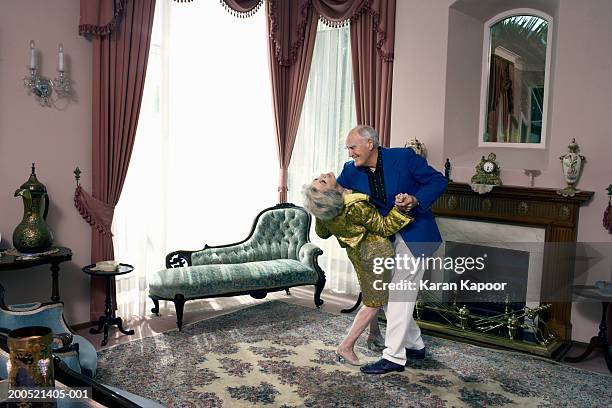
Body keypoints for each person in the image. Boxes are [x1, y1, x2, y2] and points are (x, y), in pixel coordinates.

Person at [337, 125, 448, 375]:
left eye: (352, 147)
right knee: (390, 293)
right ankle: (414, 344)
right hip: (383, 238)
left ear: (369, 144)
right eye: (348, 148)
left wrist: (415, 199)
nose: (349, 153)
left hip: (417, 233)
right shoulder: (350, 170)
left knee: (398, 292)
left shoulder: (404, 157)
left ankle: (394, 358)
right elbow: (337, 192)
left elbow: (438, 181)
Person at [302, 172, 413, 366]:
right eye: (321, 181)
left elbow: (322, 233)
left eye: (319, 178)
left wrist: (320, 213)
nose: (323, 175)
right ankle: (346, 346)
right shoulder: (355, 205)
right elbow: (385, 227)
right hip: (376, 255)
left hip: (358, 256)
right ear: (330, 195)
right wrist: (401, 210)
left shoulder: (329, 211)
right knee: (374, 302)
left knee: (371, 294)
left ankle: (374, 334)